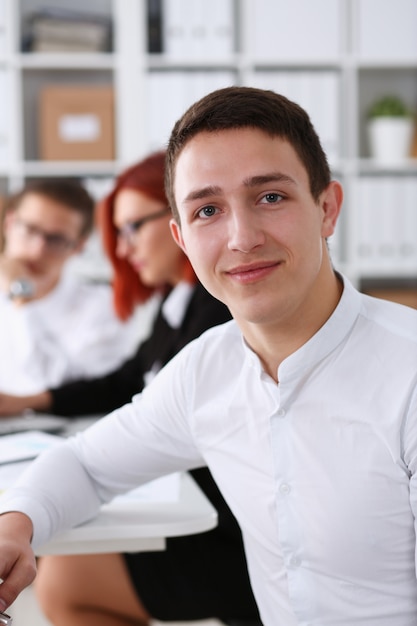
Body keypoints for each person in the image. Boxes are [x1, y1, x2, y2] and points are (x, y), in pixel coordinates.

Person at [0, 86, 416, 626]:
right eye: (208, 210)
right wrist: (17, 520)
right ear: (183, 239)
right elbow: (86, 464)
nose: (241, 238)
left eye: (270, 197)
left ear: (327, 208)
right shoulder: (206, 370)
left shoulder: (407, 371)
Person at [0, 152, 260, 625]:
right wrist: (27, 404)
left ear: (185, 217)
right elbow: (124, 382)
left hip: (233, 538)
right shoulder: (175, 306)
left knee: (65, 579)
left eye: (132, 228)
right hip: (198, 504)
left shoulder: (216, 316)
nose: (121, 250)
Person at [0, 178, 140, 395]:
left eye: (56, 239)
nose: (38, 250)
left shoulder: (105, 307)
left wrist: (21, 293)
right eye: (29, 229)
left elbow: (71, 393)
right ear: (9, 224)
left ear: (79, 246)